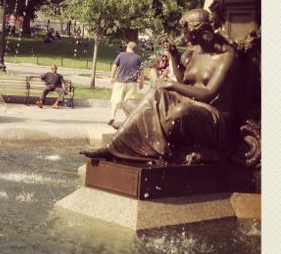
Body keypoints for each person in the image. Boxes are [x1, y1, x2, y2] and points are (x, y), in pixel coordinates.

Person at [82, 9, 239, 164]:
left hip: (212, 115)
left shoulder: (226, 56)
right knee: (130, 103)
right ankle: (136, 139)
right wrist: (174, 57)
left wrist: (172, 85)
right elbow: (184, 81)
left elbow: (208, 93)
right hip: (190, 104)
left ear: (199, 31)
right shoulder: (196, 51)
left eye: (187, 33)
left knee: (176, 113)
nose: (184, 37)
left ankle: (117, 144)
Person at [108, 41, 144, 125]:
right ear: (135, 49)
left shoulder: (121, 55)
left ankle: (112, 117)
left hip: (120, 81)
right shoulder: (138, 58)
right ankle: (128, 120)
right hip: (132, 83)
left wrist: (112, 77)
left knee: (115, 100)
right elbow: (142, 72)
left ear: (128, 47)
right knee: (130, 102)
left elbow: (114, 66)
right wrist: (141, 83)